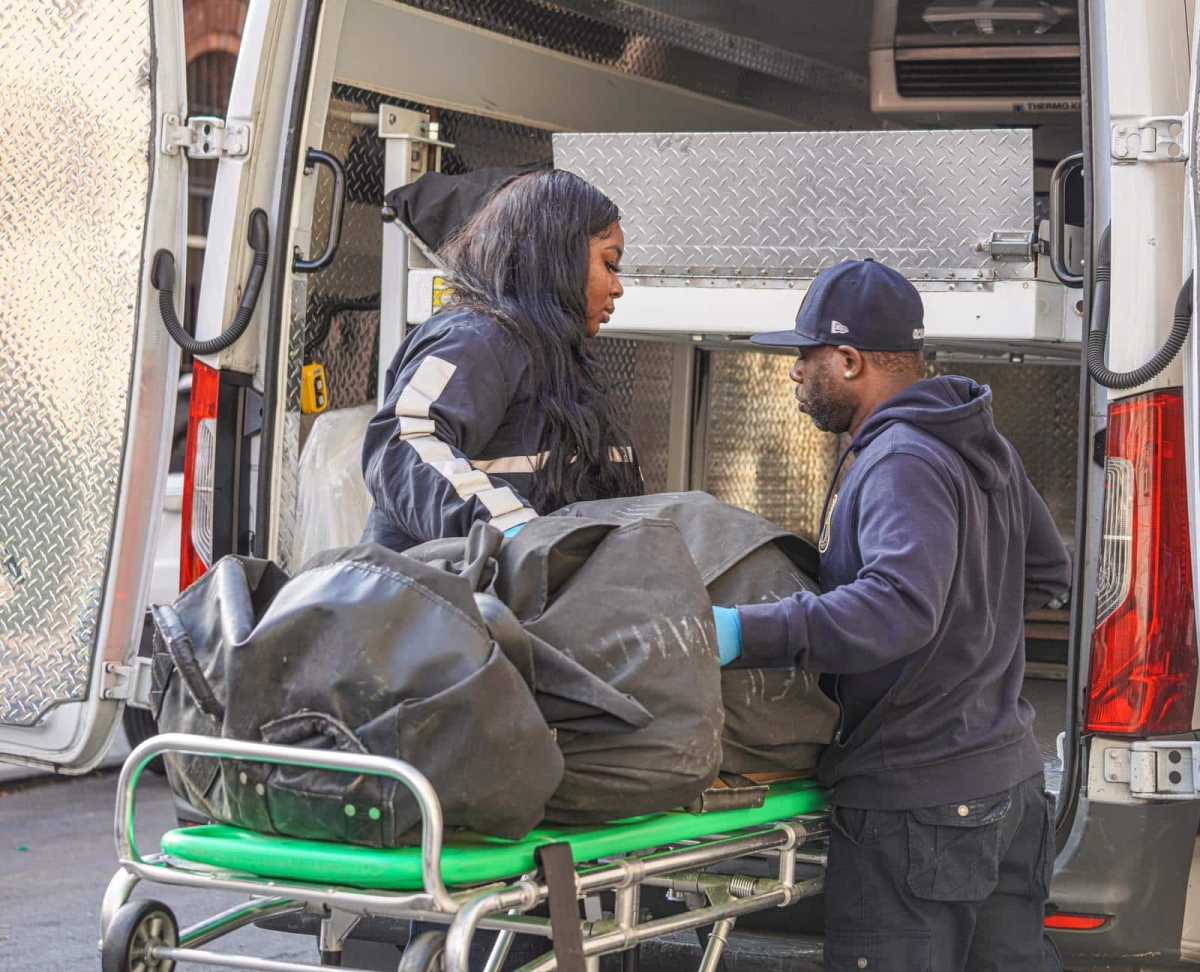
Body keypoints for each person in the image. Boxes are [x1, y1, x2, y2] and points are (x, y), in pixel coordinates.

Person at [711, 258, 1071, 971]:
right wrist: (962, 648)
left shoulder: (900, 460)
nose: (795, 375)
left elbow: (895, 607)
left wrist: (736, 632)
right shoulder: (980, 442)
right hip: (1007, 783)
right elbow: (1046, 572)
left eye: (806, 357)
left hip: (918, 805)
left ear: (849, 361)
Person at [361, 169, 644, 551]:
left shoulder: (563, 366)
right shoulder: (477, 339)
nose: (617, 287)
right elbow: (401, 444)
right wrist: (515, 534)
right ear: (557, 257)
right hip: (429, 588)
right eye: (609, 264)